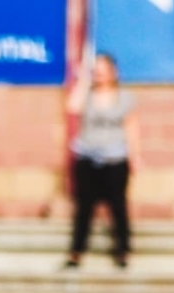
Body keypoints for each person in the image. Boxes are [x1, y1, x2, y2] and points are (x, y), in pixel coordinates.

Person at [65, 52, 141, 269]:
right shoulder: (87, 94)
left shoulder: (124, 97)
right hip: (87, 156)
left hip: (115, 158)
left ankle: (123, 250)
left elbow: (131, 128)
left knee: (118, 205)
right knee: (84, 206)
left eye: (103, 70)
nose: (99, 75)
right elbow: (72, 107)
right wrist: (84, 81)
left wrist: (135, 156)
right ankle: (76, 251)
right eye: (96, 71)